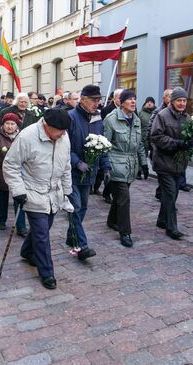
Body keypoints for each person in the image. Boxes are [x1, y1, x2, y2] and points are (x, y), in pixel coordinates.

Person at [3, 109, 73, 290]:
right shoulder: (27, 137)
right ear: (47, 126)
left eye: (65, 131)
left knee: (43, 228)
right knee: (42, 234)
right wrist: (18, 190)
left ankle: (27, 251)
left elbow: (66, 165)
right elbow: (10, 165)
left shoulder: (63, 137)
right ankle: (47, 272)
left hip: (53, 192)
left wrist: (67, 191)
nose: (64, 134)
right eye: (60, 131)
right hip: (32, 191)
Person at [66, 85, 108, 260]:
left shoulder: (97, 119)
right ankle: (81, 246)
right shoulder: (70, 118)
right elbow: (64, 147)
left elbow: (103, 143)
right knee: (75, 208)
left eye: (99, 100)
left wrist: (106, 166)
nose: (97, 104)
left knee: (82, 207)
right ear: (82, 99)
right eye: (94, 100)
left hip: (89, 172)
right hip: (72, 172)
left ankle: (72, 236)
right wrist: (77, 162)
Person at [150, 87, 193, 240]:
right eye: (179, 100)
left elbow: (192, 137)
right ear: (172, 101)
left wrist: (190, 143)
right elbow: (156, 136)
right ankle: (172, 227)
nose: (182, 103)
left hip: (179, 163)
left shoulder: (188, 118)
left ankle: (162, 220)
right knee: (170, 193)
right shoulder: (162, 115)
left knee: (173, 193)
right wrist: (176, 144)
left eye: (184, 100)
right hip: (163, 162)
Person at [104, 89, 148, 248]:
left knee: (120, 198)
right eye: (129, 99)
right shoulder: (111, 120)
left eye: (134, 99)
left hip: (131, 165)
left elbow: (140, 144)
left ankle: (111, 220)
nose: (133, 102)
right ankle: (125, 232)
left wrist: (144, 163)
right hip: (116, 163)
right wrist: (106, 166)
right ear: (121, 103)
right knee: (124, 198)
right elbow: (105, 144)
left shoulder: (136, 119)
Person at [0, 113, 27, 235]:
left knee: (19, 198)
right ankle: (1, 220)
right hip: (1, 172)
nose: (10, 126)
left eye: (13, 124)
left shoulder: (23, 136)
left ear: (17, 125)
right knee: (2, 197)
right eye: (7, 123)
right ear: (3, 124)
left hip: (18, 173)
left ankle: (21, 226)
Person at [136, 96, 156, 179]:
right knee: (141, 155)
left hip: (154, 138)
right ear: (145, 103)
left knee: (155, 156)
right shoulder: (141, 113)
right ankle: (139, 172)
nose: (149, 103)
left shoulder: (157, 113)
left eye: (151, 102)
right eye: (148, 102)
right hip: (143, 138)